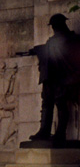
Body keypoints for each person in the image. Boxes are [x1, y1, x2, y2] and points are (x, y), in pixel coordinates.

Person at [22, 13, 80, 145]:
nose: (54, 28)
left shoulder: (72, 39)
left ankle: (60, 133)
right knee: (47, 103)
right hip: (52, 78)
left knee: (61, 104)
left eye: (54, 26)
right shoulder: (54, 41)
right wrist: (37, 50)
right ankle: (44, 130)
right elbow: (47, 49)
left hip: (64, 78)